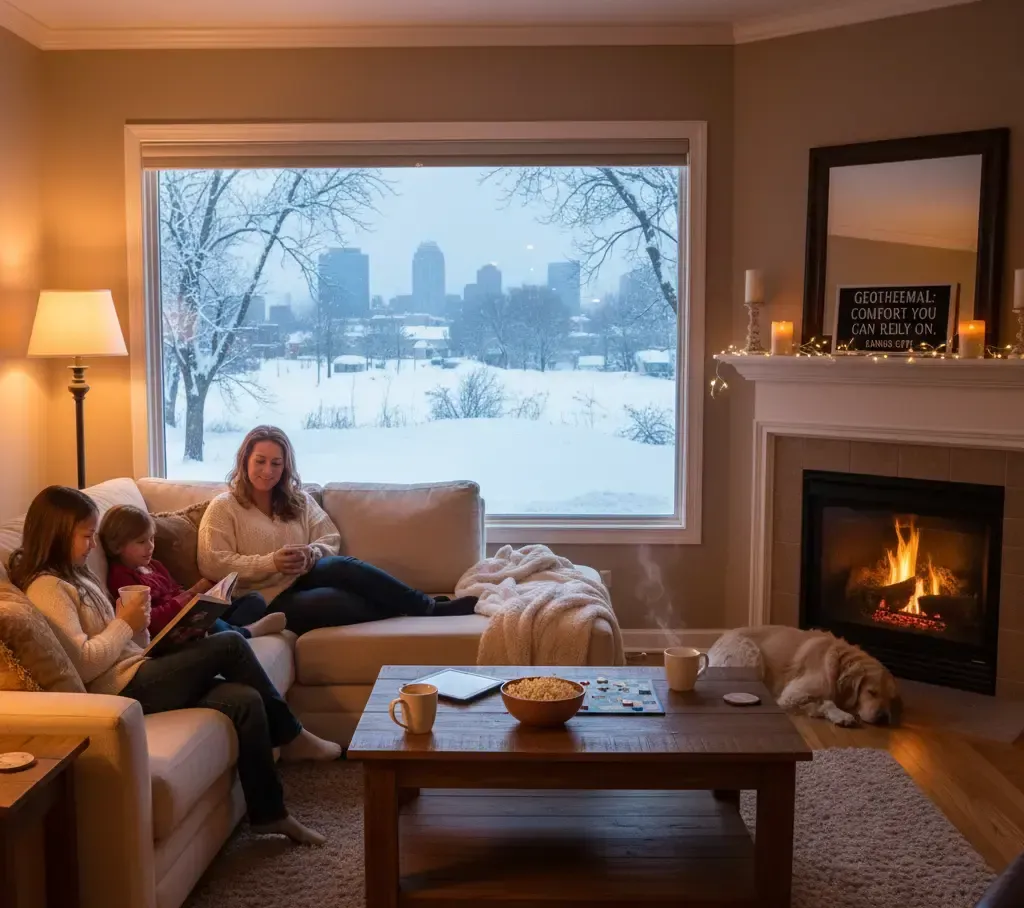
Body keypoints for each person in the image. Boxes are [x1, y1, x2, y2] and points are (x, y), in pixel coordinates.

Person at [9, 485, 340, 846]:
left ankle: (270, 814)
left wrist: (169, 636)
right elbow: (87, 664)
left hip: (138, 665)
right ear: (56, 533)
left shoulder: (78, 576)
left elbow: (126, 642)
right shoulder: (49, 589)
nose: (93, 546)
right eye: (86, 536)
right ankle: (292, 734)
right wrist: (126, 623)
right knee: (229, 643)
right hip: (118, 689)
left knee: (245, 699)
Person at [197, 425, 478, 636]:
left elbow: (329, 537)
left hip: (301, 577)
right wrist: (270, 562)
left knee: (342, 566)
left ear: (285, 467)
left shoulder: (298, 500)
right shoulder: (225, 507)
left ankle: (427, 607)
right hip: (263, 599)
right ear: (245, 460)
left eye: (276, 463)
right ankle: (417, 606)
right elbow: (213, 562)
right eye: (260, 461)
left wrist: (312, 553)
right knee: (332, 601)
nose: (268, 471)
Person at [99, 504, 287, 641]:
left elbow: (175, 590)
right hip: (173, 628)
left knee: (254, 599)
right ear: (117, 546)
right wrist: (188, 597)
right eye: (141, 542)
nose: (150, 547)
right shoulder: (122, 578)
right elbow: (148, 621)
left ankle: (229, 629)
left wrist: (206, 595)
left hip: (188, 612)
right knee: (206, 622)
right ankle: (245, 633)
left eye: (151, 539)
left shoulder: (154, 565)